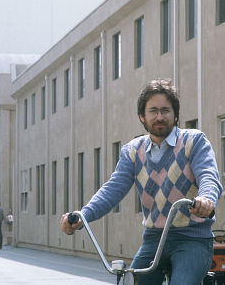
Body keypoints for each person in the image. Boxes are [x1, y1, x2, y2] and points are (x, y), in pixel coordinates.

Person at [60, 78, 223, 285]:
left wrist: (207, 199)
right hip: (154, 239)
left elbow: (209, 176)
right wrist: (83, 216)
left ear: (175, 115)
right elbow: (113, 189)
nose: (160, 116)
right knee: (132, 280)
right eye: (153, 111)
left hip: (192, 239)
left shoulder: (194, 141)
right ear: (142, 117)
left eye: (165, 110)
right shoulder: (132, 151)